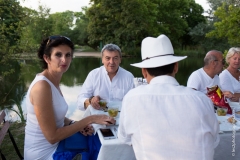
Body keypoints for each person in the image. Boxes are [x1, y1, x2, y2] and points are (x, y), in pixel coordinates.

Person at [118, 34, 219, 160]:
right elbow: (214, 140)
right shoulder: (202, 99)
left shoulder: (132, 98)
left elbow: (124, 138)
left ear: (144, 72)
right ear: (176, 67)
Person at [24, 36, 115, 160]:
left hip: (57, 144)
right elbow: (52, 137)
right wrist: (90, 119)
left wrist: (74, 123)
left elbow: (55, 116)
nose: (64, 60)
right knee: (96, 146)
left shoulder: (53, 81)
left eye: (68, 55)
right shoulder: (41, 87)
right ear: (47, 58)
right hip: (44, 153)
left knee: (96, 138)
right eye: (58, 55)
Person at [77, 44, 134, 110]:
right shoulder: (94, 75)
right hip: (97, 117)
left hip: (121, 118)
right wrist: (91, 101)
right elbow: (79, 102)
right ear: (102, 60)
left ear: (120, 59)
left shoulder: (129, 77)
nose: (111, 62)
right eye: (108, 58)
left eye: (115, 58)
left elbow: (134, 102)